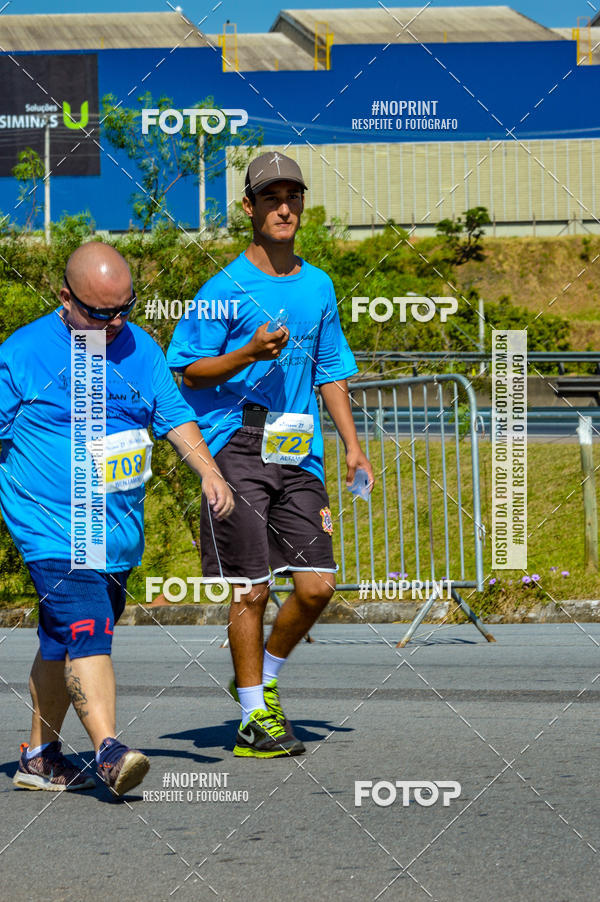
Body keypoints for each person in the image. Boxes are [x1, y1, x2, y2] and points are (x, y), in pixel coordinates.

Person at [0, 242, 234, 795]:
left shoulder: (140, 348)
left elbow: (173, 416)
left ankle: (38, 756)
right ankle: (109, 749)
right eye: (100, 313)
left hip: (117, 533)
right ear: (65, 298)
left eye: (125, 307)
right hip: (51, 526)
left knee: (63, 639)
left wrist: (210, 472)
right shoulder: (23, 352)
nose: (115, 322)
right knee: (87, 630)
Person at [167, 151, 373, 758]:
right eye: (272, 197)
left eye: (294, 197)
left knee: (316, 588)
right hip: (235, 444)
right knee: (251, 588)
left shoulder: (319, 284)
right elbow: (188, 373)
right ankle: (255, 717)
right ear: (250, 207)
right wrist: (248, 354)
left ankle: (260, 679)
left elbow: (331, 369)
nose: (285, 208)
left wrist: (354, 447)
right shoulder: (222, 289)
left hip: (298, 446)